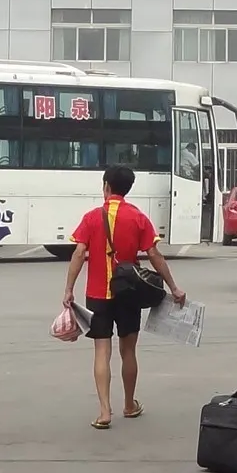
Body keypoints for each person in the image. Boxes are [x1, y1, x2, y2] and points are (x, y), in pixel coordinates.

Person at [63, 164, 185, 430]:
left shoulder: (92, 217)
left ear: (106, 186)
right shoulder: (138, 217)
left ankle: (105, 411)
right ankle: (129, 404)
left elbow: (78, 253)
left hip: (97, 294)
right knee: (128, 350)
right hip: (129, 293)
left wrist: (68, 289)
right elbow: (154, 255)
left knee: (101, 352)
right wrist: (173, 287)